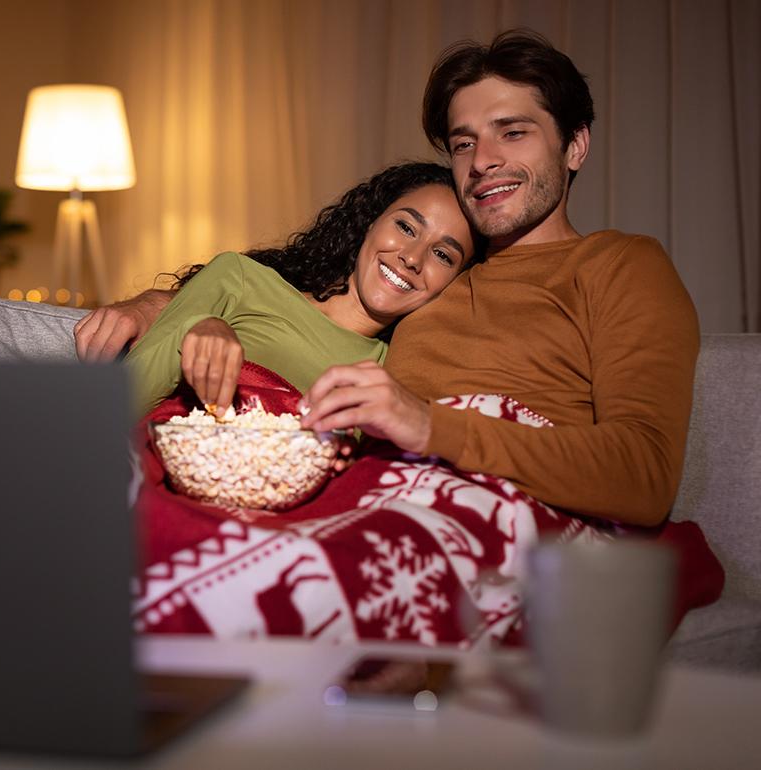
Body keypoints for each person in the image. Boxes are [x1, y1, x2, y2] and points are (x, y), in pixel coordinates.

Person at [76, 29, 700, 528]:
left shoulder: (622, 264)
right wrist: (167, 304)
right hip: (368, 499)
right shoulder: (438, 289)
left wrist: (429, 425)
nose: (483, 161)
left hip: (488, 517)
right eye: (463, 143)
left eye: (513, 132)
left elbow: (644, 476)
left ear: (575, 146)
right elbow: (289, 311)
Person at [124, 162, 479, 415]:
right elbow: (124, 402)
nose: (413, 258)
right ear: (371, 222)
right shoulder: (240, 278)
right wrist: (195, 328)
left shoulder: (394, 371)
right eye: (405, 227)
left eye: (442, 255)